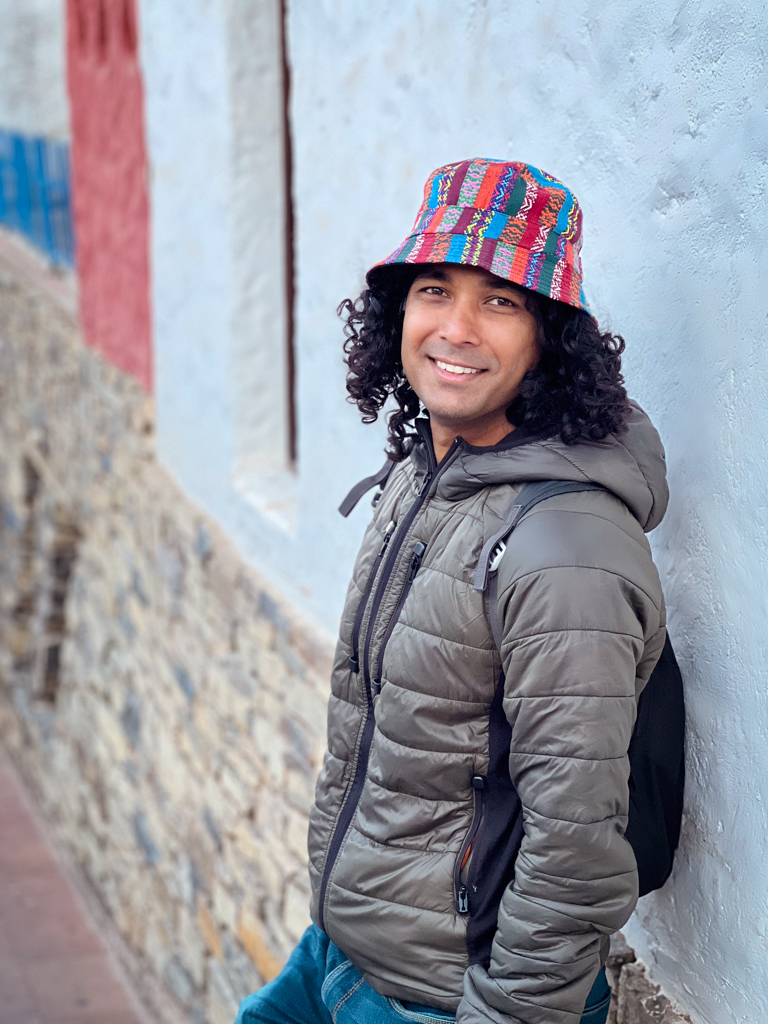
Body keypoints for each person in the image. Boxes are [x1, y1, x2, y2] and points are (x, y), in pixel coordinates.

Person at [236, 159, 668, 1024]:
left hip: (445, 996)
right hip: (344, 950)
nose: (458, 327)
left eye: (501, 301)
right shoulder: (429, 474)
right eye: (436, 289)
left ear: (550, 338)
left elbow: (574, 846)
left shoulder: (565, 545)